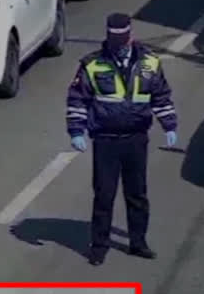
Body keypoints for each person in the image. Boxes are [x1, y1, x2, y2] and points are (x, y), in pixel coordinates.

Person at [66, 13, 178, 266]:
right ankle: (99, 246)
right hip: (105, 140)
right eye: (114, 40)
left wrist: (169, 125)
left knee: (137, 194)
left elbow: (161, 97)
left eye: (122, 40)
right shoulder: (92, 64)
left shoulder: (150, 63)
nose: (119, 46)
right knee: (104, 195)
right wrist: (76, 131)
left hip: (136, 139)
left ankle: (138, 243)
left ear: (130, 37)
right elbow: (78, 99)